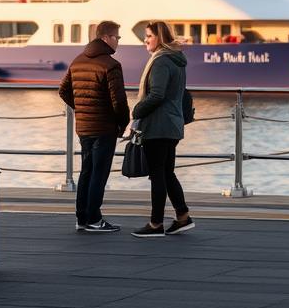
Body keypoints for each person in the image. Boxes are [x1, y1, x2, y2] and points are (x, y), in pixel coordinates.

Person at [59, 20, 129, 233]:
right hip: (104, 128)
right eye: (117, 37)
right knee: (99, 173)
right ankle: (95, 219)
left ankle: (82, 218)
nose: (118, 41)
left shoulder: (78, 61)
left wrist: (81, 108)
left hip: (84, 127)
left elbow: (63, 91)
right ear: (106, 38)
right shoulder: (111, 65)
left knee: (87, 172)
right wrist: (122, 124)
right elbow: (119, 102)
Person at [130, 20, 193, 238]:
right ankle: (183, 217)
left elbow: (157, 94)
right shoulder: (176, 60)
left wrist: (136, 111)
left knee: (157, 175)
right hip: (172, 124)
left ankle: (156, 224)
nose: (145, 40)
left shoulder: (161, 62)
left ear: (160, 38)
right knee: (167, 173)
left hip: (158, 125)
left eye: (149, 35)